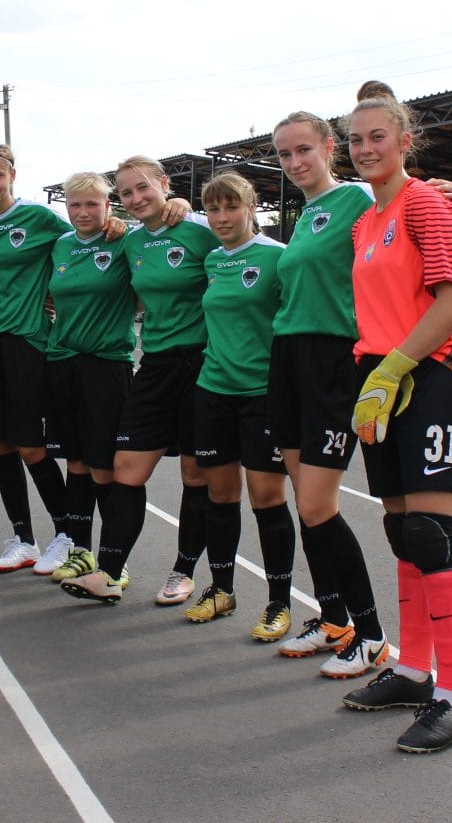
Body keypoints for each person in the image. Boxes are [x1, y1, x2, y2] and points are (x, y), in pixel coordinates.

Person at [340, 83, 452, 753]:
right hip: (384, 374)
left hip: (437, 370)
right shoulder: (363, 223)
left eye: (377, 137)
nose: (365, 148)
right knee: (401, 529)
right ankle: (411, 671)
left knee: (429, 530)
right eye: (356, 139)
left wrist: (396, 366)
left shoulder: (425, 204)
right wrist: (373, 371)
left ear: (404, 140)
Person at [267, 109, 391, 675]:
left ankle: (371, 635)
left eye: (302, 151)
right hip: (288, 358)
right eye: (284, 155)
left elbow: (402, 221)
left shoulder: (358, 201)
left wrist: (438, 194)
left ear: (327, 148)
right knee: (304, 504)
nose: (294, 163)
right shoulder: (307, 215)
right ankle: (333, 618)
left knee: (319, 505)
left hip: (333, 360)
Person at [0, 143, 126, 574]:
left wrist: (114, 222)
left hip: (30, 342)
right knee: (0, 444)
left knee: (32, 447)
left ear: (12, 175)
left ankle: (65, 535)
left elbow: (84, 230)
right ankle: (23, 539)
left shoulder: (38, 218)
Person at [63, 154, 209, 606]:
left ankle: (183, 571)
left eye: (143, 187)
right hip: (156, 364)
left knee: (194, 472)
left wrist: (188, 206)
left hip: (204, 364)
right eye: (126, 193)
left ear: (164, 184)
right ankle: (109, 572)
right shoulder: (127, 242)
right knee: (126, 468)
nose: (136, 197)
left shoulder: (200, 230)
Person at [181, 169, 295, 637]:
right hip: (213, 390)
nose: (222, 217)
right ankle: (221, 589)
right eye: (214, 208)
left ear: (252, 208)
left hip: (263, 396)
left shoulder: (278, 257)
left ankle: (278, 603)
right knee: (220, 495)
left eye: (232, 207)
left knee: (267, 499)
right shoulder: (211, 261)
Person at [41, 172, 135, 582]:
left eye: (91, 204)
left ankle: (115, 560)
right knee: (75, 463)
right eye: (75, 205)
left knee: (103, 467)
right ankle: (80, 551)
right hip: (62, 362)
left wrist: (179, 205)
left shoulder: (124, 240)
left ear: (108, 205)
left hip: (105, 365)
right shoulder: (60, 245)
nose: (82, 212)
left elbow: (167, 229)